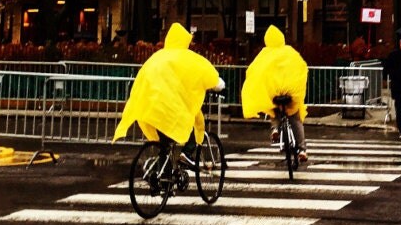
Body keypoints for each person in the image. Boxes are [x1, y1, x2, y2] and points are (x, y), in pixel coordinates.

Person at [112, 22, 223, 166]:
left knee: (164, 142)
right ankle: (187, 153)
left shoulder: (156, 57)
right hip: (172, 105)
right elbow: (207, 74)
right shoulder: (188, 57)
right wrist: (219, 85)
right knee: (191, 123)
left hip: (153, 106)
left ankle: (162, 176)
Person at [241, 24, 310, 163]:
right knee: (295, 119)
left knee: (273, 109)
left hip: (274, 93)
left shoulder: (264, 54)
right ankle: (302, 149)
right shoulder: (290, 52)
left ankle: (275, 129)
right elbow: (302, 67)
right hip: (290, 93)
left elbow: (253, 72)